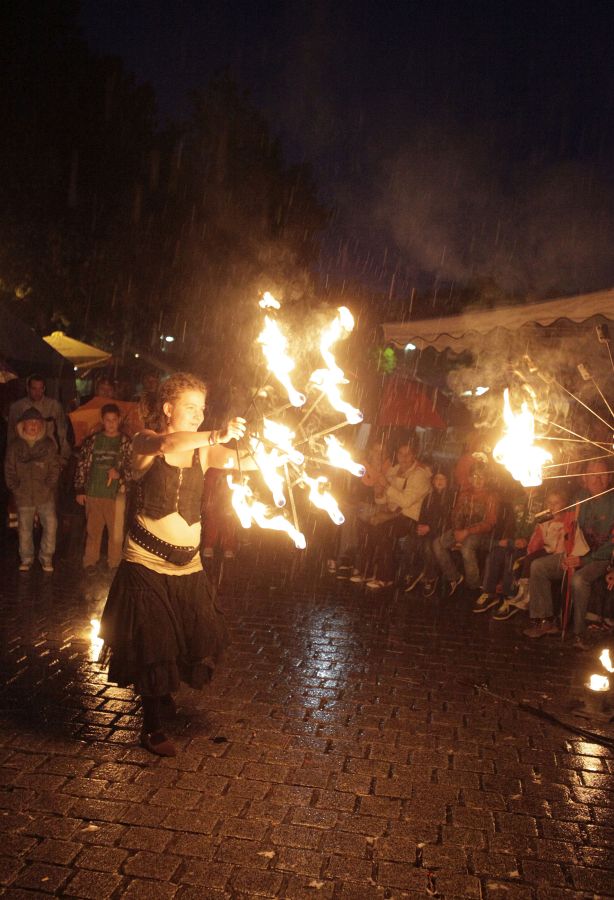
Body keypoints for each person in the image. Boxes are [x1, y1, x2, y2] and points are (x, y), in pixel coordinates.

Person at [99, 372, 247, 757]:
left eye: (203, 408)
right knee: (155, 643)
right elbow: (168, 443)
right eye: (190, 407)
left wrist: (272, 452)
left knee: (190, 636)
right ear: (168, 408)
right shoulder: (145, 441)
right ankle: (151, 728)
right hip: (145, 564)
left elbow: (241, 460)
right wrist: (218, 433)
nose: (199, 415)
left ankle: (162, 691)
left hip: (188, 568)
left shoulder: (203, 451)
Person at [523, 461, 614, 649]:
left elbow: (609, 545)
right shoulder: (580, 497)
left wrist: (583, 560)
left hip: (601, 558)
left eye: (603, 474)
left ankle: (579, 633)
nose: (597, 479)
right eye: (592, 474)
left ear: (610, 477)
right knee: (539, 566)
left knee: (579, 579)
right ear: (585, 478)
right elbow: (567, 522)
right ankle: (545, 620)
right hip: (575, 552)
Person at [362, 443, 431, 591]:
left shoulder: (419, 474)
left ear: (414, 455)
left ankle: (386, 577)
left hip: (411, 517)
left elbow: (405, 501)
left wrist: (386, 486)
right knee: (368, 524)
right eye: (400, 453)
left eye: (408, 454)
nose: (404, 458)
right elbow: (383, 500)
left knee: (384, 530)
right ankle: (368, 570)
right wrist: (379, 492)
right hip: (395, 514)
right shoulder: (394, 470)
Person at [74, 403, 132, 572]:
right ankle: (90, 561)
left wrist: (120, 474)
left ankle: (114, 562)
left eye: (114, 420)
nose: (111, 423)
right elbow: (82, 465)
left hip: (116, 495)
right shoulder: (92, 441)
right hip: (94, 491)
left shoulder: (126, 442)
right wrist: (80, 490)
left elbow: (133, 468)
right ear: (102, 420)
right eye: (108, 420)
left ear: (119, 420)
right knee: (93, 530)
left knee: (115, 533)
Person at [4, 407, 60, 572]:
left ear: (41, 425)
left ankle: (46, 557)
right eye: (30, 422)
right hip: (24, 495)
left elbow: (54, 468)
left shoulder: (48, 445)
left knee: (51, 525)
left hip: (45, 495)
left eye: (36, 422)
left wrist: (48, 486)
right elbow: (9, 469)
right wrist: (16, 488)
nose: (33, 426)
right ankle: (26, 558)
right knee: (24, 529)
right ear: (23, 425)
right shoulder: (15, 446)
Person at [432, 461, 499, 596]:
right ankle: (454, 577)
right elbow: (456, 514)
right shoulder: (465, 494)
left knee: (466, 547)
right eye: (474, 476)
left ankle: (473, 586)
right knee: (437, 544)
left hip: (482, 534)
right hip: (462, 530)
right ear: (469, 478)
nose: (478, 480)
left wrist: (467, 532)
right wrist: (457, 530)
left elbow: (489, 523)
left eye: (481, 476)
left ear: (486, 478)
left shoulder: (491, 496)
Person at [8, 373, 70, 462]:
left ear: (44, 389)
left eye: (40, 388)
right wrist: (10, 458)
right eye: (34, 388)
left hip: (49, 454)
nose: (38, 392)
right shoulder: (17, 408)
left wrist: (64, 456)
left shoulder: (53, 406)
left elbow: (62, 432)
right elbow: (11, 434)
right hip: (25, 455)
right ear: (28, 389)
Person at [413, 470, 454, 596]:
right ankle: (415, 573)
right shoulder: (429, 497)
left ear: (447, 481)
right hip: (430, 530)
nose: (439, 481)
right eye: (437, 478)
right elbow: (422, 515)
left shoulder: (451, 497)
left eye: (442, 479)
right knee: (413, 542)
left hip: (444, 531)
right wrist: (420, 527)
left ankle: (431, 576)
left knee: (429, 546)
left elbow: (448, 519)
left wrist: (430, 528)